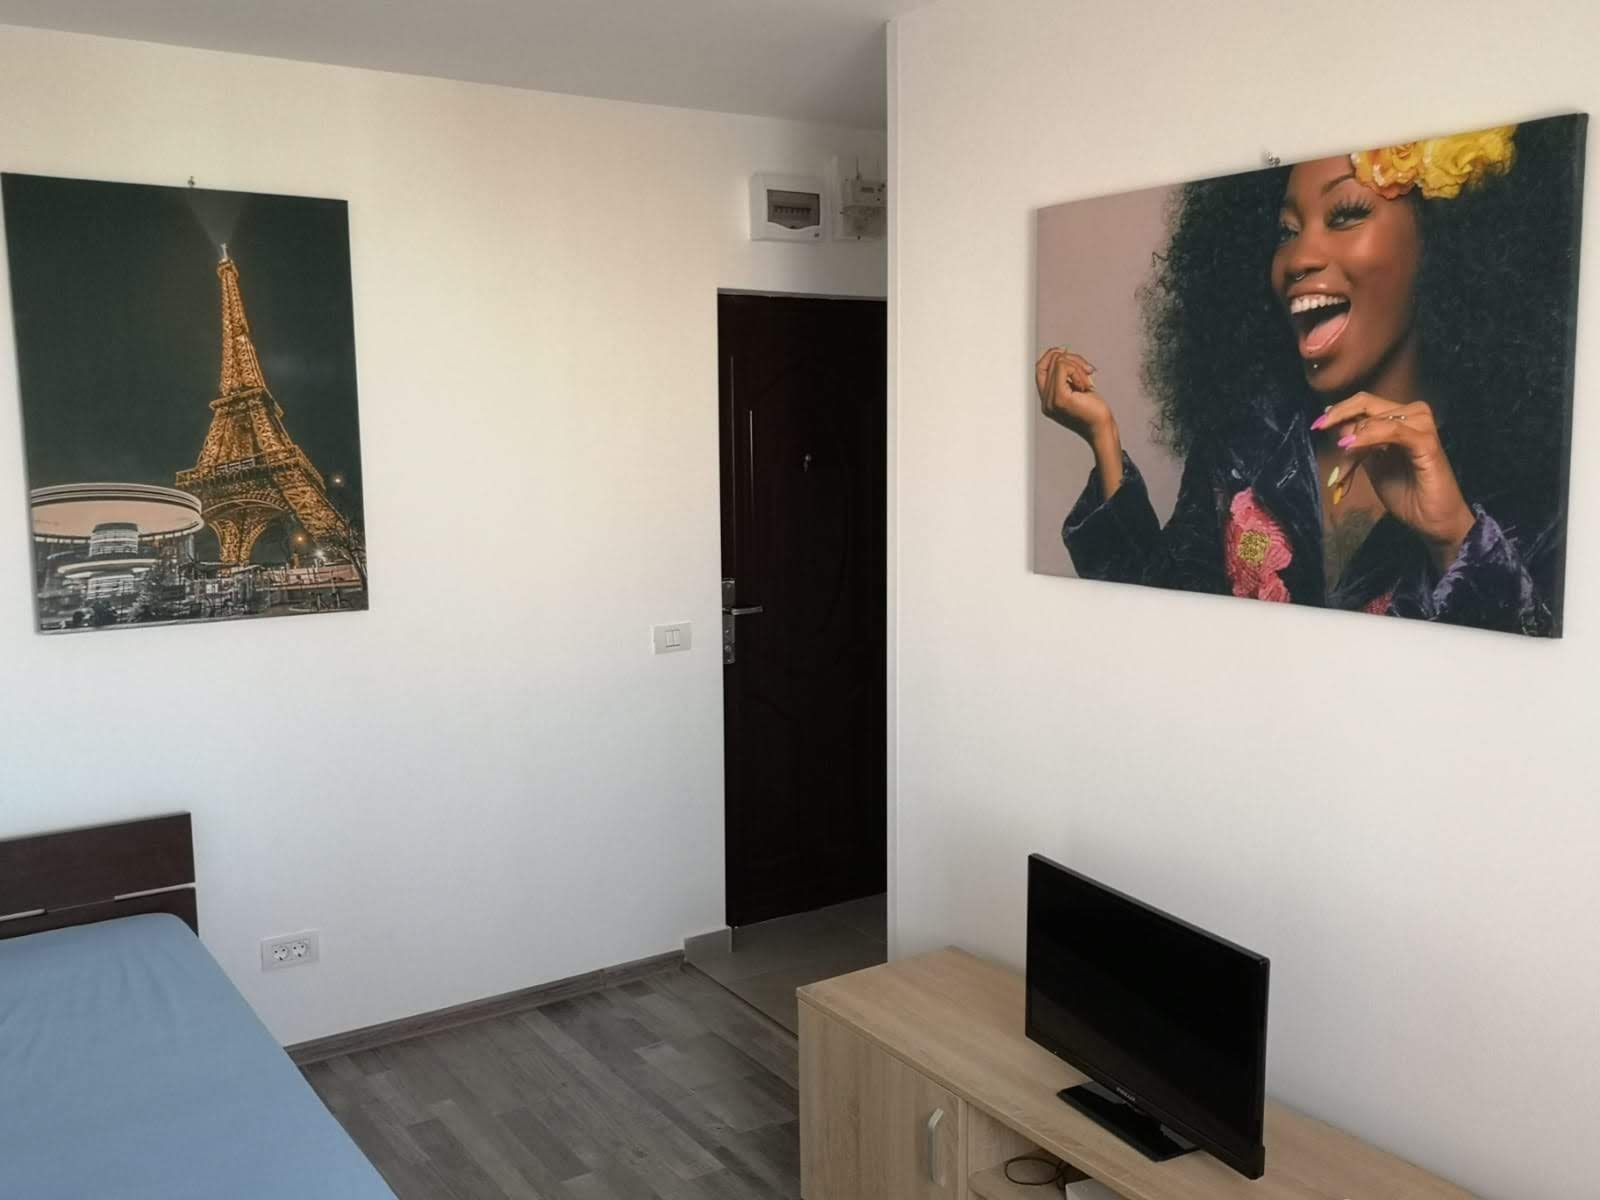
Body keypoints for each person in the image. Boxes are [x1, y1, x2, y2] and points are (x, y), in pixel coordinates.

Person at [1037, 116, 1582, 636]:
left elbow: (1541, 681)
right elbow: (1166, 617)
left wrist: (1453, 537)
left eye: (1345, 215)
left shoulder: (1530, 481)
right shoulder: (1245, 444)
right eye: (1287, 231)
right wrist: (1103, 438)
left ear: (1440, 241)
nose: (1298, 258)